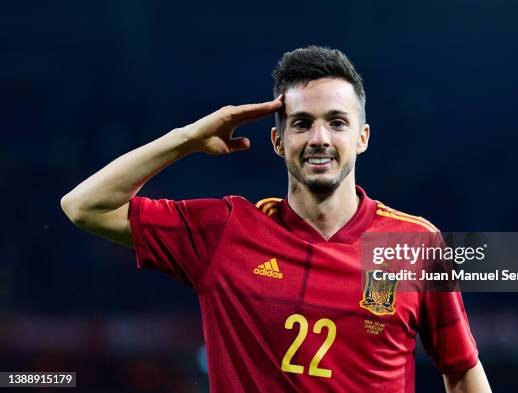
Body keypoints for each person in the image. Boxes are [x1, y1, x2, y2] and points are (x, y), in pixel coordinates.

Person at [61, 46, 491, 393]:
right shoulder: (225, 232)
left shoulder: (414, 244)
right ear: (277, 140)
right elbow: (83, 206)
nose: (319, 139)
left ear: (362, 138)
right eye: (301, 124)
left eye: (336, 123)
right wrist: (187, 138)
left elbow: (461, 371)